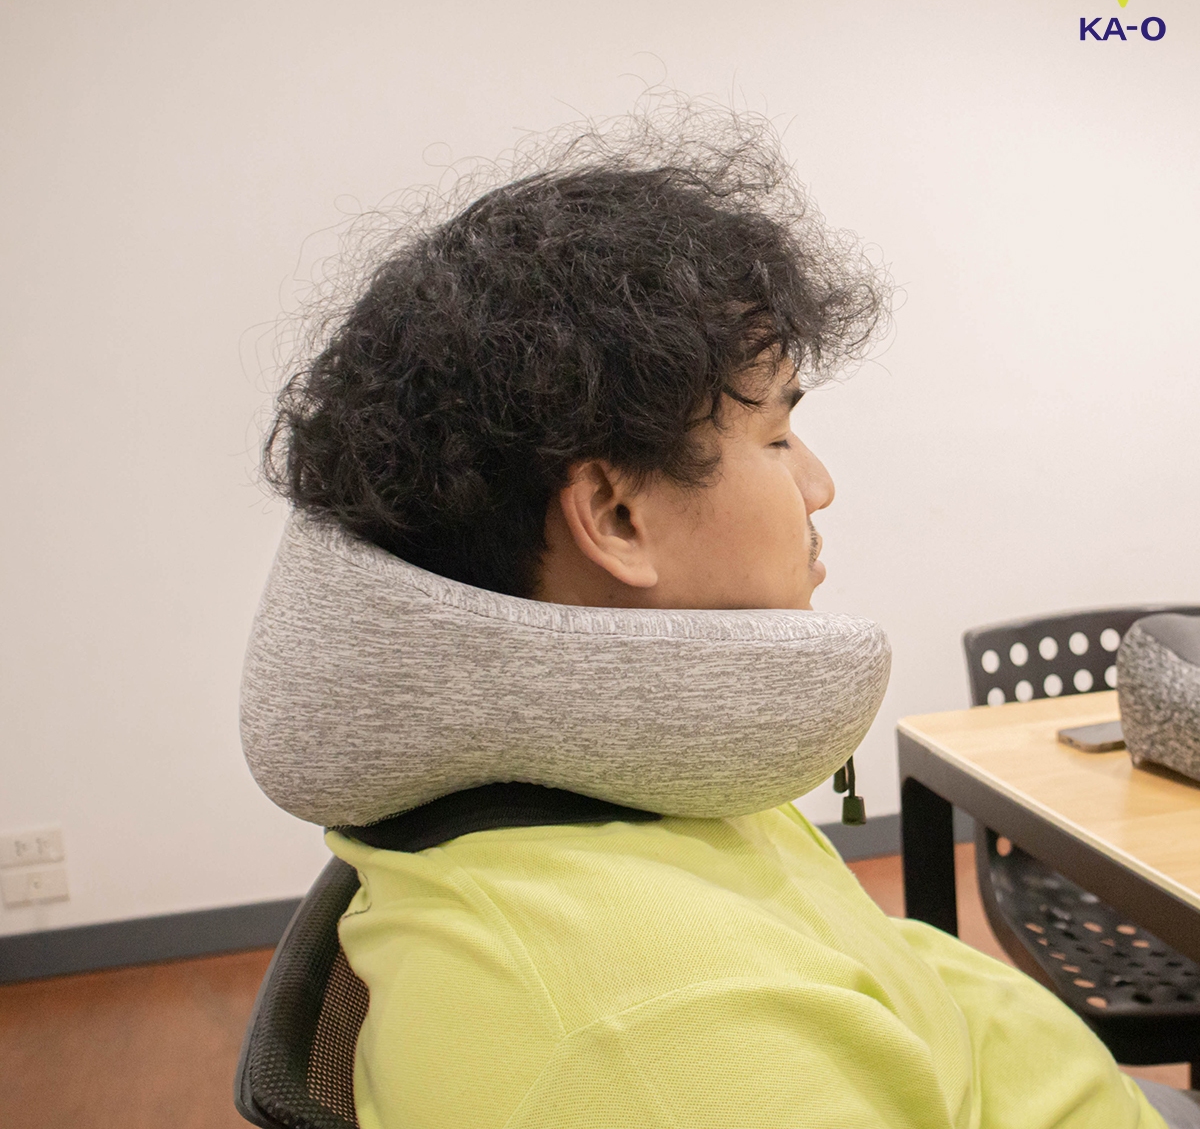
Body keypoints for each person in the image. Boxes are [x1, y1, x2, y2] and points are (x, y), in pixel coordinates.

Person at [258, 104, 1194, 1128]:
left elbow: (885, 977)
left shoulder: (623, 787)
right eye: (779, 439)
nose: (821, 487)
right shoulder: (655, 1028)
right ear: (616, 515)